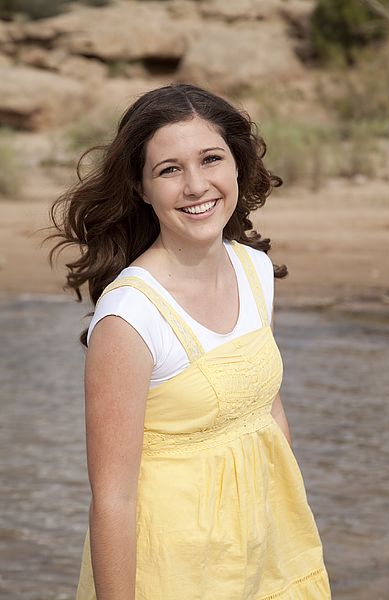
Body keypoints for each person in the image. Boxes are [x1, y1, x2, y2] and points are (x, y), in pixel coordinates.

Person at [47, 83, 331, 599]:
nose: (197, 185)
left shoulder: (255, 270)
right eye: (170, 169)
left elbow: (267, 413)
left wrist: (290, 532)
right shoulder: (131, 315)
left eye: (211, 159)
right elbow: (112, 498)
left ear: (237, 166)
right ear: (141, 187)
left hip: (268, 557)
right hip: (172, 571)